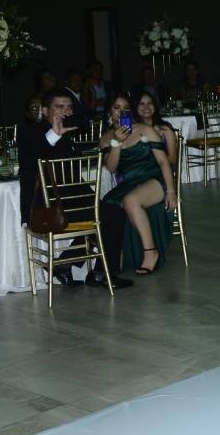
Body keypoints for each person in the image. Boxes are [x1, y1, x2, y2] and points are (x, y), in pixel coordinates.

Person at [18, 89, 132, 290]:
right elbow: (30, 160)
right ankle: (100, 273)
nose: (65, 111)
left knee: (109, 212)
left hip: (70, 200)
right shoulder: (31, 132)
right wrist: (53, 135)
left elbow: (81, 128)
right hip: (46, 207)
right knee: (110, 214)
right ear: (45, 110)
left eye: (69, 107)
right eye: (59, 107)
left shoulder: (67, 130)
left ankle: (69, 265)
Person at [99, 93, 178, 275]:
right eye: (117, 108)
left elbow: (164, 162)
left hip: (154, 178)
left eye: (126, 108)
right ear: (110, 112)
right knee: (107, 203)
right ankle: (109, 262)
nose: (121, 112)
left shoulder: (144, 129)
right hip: (130, 182)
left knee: (130, 201)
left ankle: (150, 253)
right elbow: (111, 167)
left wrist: (171, 191)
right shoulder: (106, 138)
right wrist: (116, 143)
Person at [134, 92, 178, 169]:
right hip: (140, 172)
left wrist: (149, 163)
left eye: (150, 103)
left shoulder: (165, 129)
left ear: (155, 106)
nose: (146, 107)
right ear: (136, 107)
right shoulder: (134, 130)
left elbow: (173, 159)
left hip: (161, 170)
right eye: (142, 104)